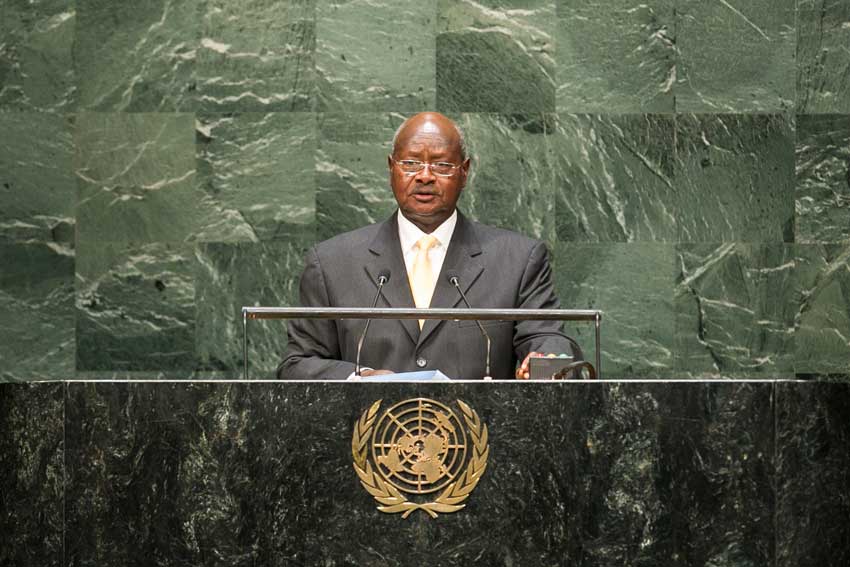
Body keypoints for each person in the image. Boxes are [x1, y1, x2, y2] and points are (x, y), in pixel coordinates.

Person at [278, 112, 582, 380]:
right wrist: (361, 378)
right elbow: (298, 364)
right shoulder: (332, 262)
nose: (424, 176)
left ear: (464, 171)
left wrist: (547, 360)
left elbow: (548, 339)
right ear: (391, 168)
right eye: (410, 163)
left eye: (442, 165)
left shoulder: (518, 260)